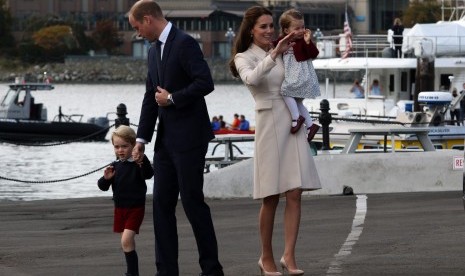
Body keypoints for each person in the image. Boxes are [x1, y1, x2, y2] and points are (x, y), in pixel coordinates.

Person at [127, 1, 224, 276]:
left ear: (148, 19)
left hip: (191, 138)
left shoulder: (184, 43)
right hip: (165, 143)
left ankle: (211, 269)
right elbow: (150, 98)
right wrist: (142, 139)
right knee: (161, 205)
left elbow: (205, 82)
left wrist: (172, 98)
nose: (137, 33)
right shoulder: (153, 50)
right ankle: (166, 271)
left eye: (137, 27)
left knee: (193, 203)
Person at [229, 6, 322, 276]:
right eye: (264, 27)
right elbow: (251, 78)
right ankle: (266, 256)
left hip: (293, 121)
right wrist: (275, 53)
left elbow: (301, 72)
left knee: (295, 192)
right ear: (251, 30)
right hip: (269, 122)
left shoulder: (285, 48)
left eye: (272, 25)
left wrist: (303, 42)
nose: (270, 31)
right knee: (270, 196)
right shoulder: (243, 56)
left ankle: (289, 256)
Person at [97, 125, 154, 276]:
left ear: (134, 145)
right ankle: (132, 272)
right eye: (117, 147)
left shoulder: (138, 163)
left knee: (126, 241)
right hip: (120, 209)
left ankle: (132, 273)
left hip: (135, 208)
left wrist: (142, 160)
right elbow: (102, 186)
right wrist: (106, 178)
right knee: (127, 243)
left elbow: (148, 174)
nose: (120, 150)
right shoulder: (115, 166)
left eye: (124, 146)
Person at [275, 8, 321, 142]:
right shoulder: (283, 40)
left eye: (303, 27)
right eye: (297, 28)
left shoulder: (303, 41)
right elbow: (274, 46)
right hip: (295, 76)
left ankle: (296, 118)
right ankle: (310, 126)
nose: (301, 31)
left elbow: (314, 54)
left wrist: (308, 41)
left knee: (285, 91)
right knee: (298, 102)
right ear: (286, 30)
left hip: (301, 75)